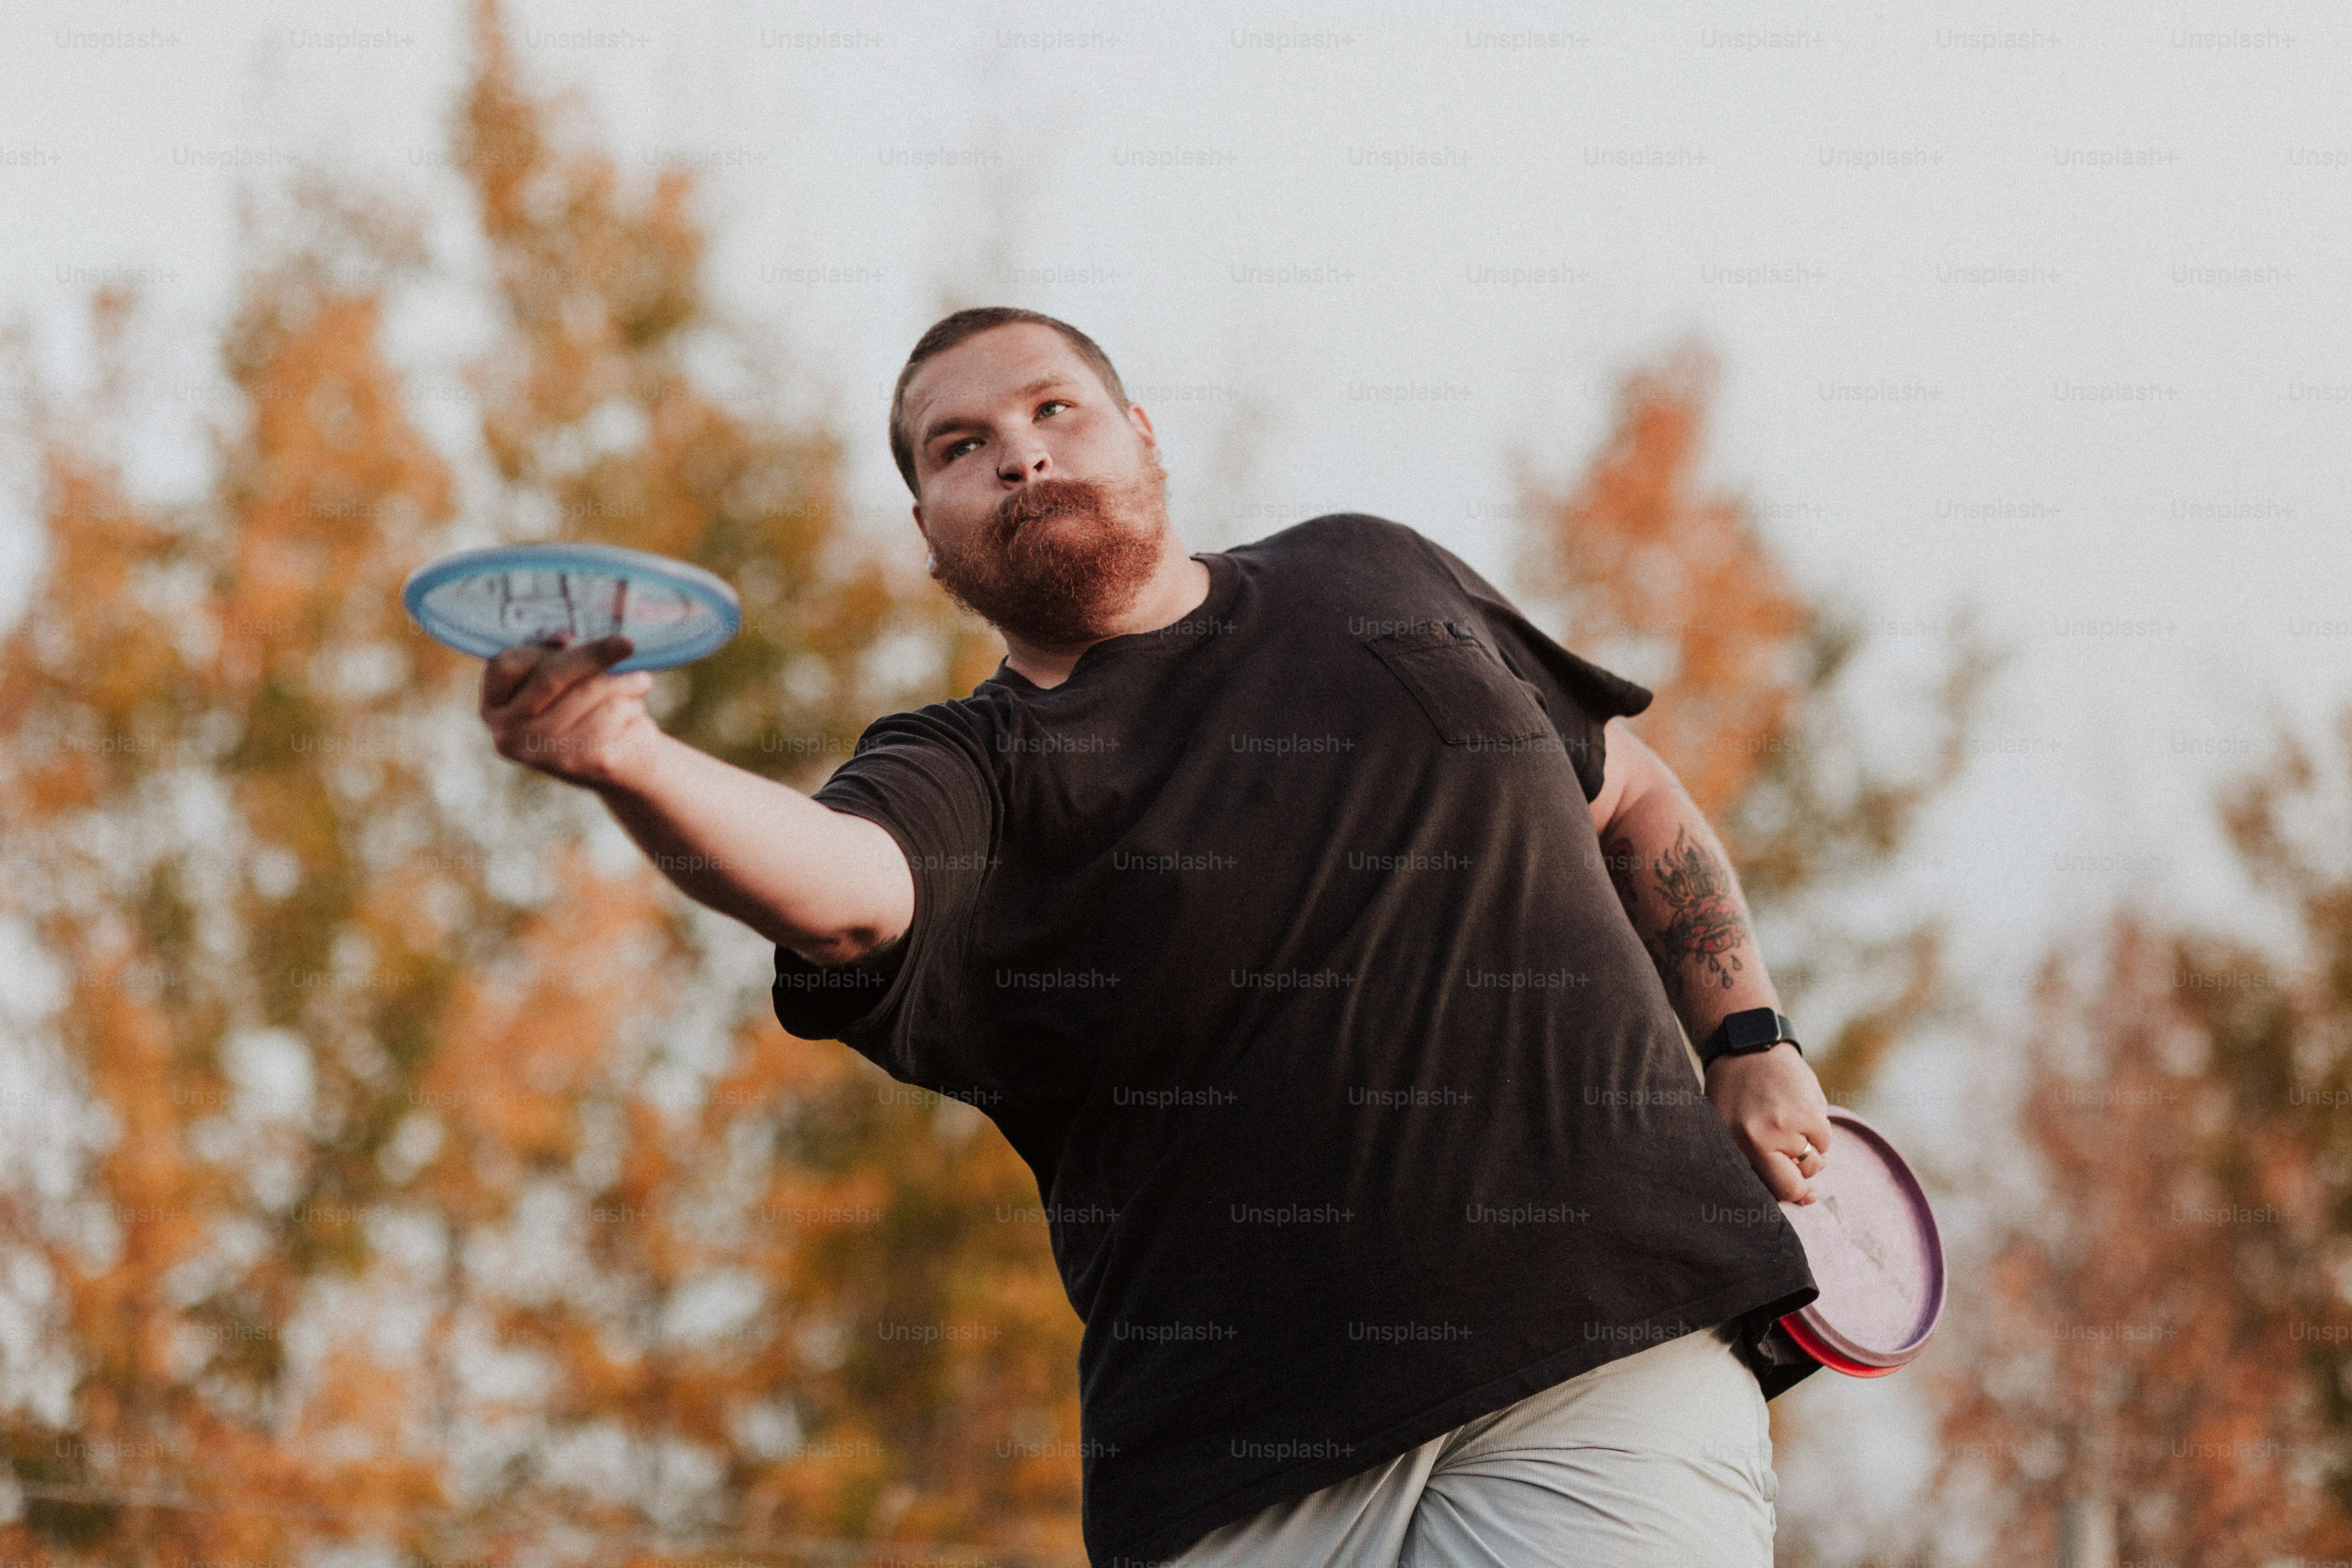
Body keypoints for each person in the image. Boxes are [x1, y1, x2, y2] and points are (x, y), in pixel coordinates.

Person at [476, 306, 1836, 1568]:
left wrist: (1750, 1034)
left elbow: (1633, 794)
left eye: (1056, 410)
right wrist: (626, 760)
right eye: (965, 447)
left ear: (1144, 440)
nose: (1020, 454)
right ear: (927, 530)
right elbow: (845, 889)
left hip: (1609, 1342)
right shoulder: (972, 766)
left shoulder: (1377, 567)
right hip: (1236, 1461)